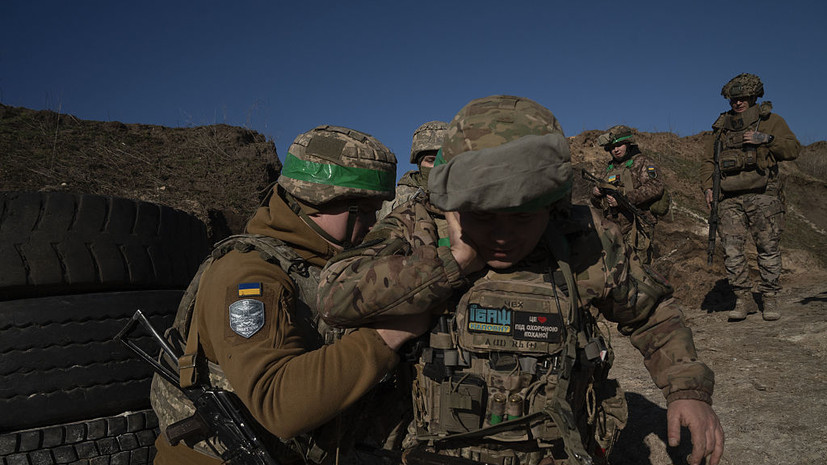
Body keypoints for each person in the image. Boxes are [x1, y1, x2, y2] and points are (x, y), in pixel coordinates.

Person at [318, 95, 724, 465]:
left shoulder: (581, 238)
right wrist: (452, 261)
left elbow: (651, 311)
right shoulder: (420, 226)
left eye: (523, 216)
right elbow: (335, 294)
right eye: (483, 214)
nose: (501, 235)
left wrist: (687, 390)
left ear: (553, 204)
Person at [150, 125, 431, 464]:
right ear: (319, 201)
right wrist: (390, 334)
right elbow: (280, 405)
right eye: (367, 210)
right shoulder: (250, 276)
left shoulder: (325, 263)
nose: (375, 223)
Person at [700, 73, 801, 322]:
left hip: (763, 195)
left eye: (743, 98)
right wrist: (707, 188)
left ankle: (769, 298)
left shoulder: (770, 121)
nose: (738, 103)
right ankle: (743, 299)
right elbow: (707, 162)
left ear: (754, 97)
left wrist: (766, 140)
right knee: (733, 251)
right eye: (734, 99)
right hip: (729, 198)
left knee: (767, 248)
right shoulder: (721, 126)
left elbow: (793, 149)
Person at [591, 125, 665, 265]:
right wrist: (596, 194)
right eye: (612, 147)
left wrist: (624, 199)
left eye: (619, 145)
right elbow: (596, 203)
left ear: (628, 143)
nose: (616, 150)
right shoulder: (608, 169)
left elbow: (656, 186)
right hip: (613, 229)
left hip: (637, 228)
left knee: (639, 270)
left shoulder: (642, 162)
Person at [377, 120, 448, 220]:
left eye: (445, 160)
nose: (438, 166)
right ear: (419, 163)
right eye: (431, 160)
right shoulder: (399, 199)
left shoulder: (466, 194)